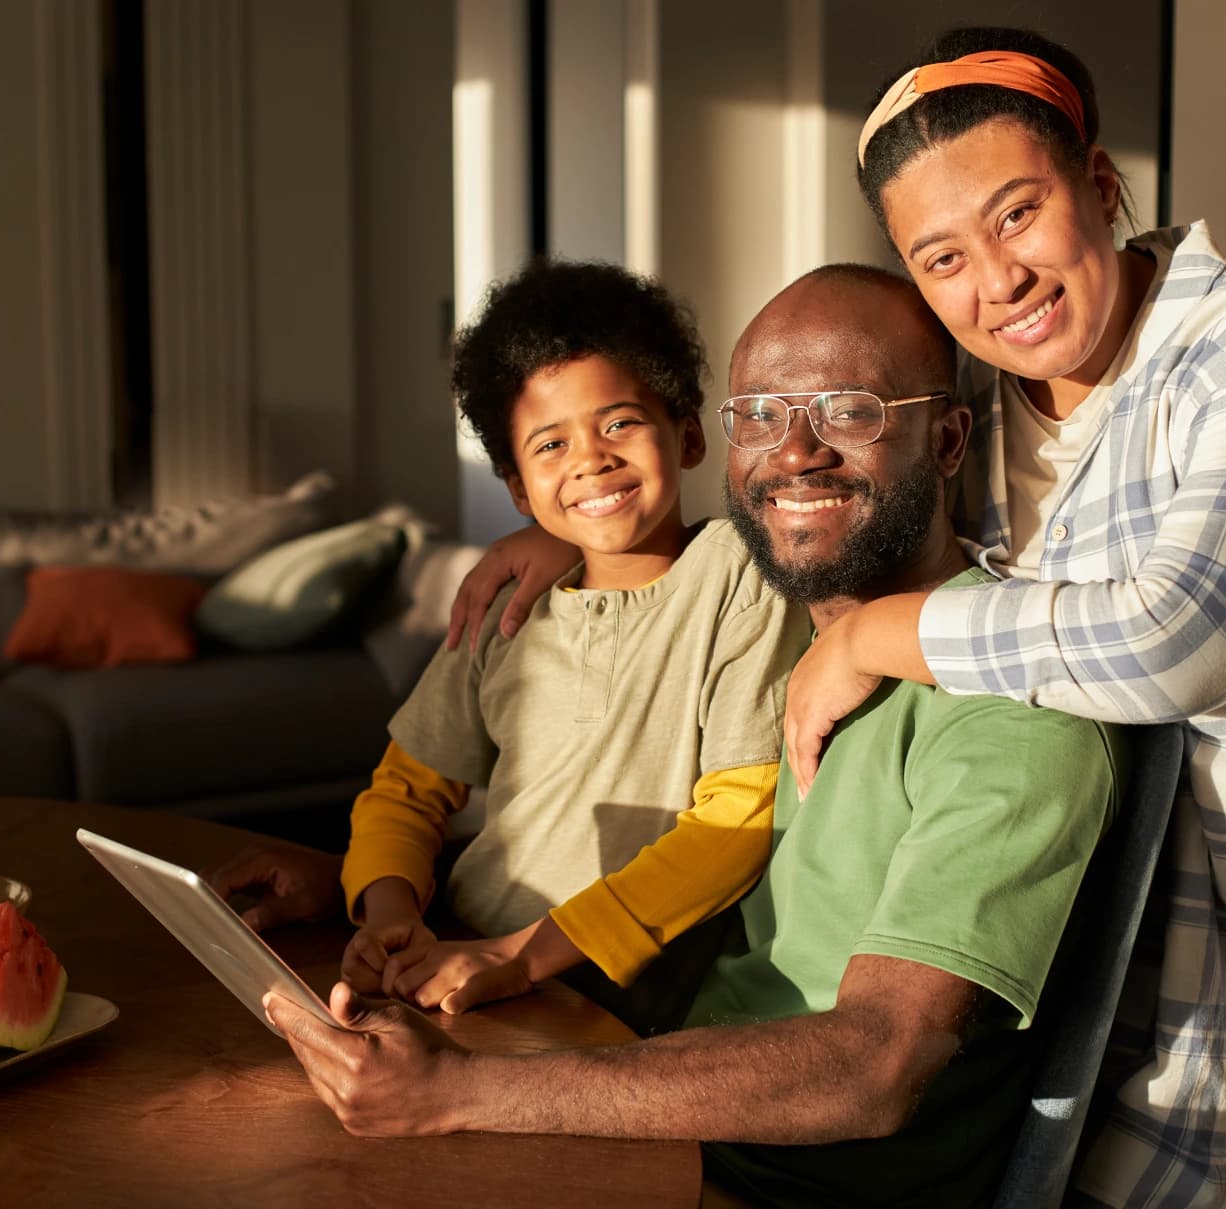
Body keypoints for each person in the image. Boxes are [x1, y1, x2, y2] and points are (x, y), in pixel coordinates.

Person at [444, 26, 1226, 1208]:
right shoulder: (983, 387)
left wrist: (872, 640)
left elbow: (1182, 639)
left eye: (1017, 214)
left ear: (1100, 187)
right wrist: (590, 532)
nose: (997, 278)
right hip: (1116, 930)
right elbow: (836, 493)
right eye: (942, 256)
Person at [265, 265, 1128, 1209]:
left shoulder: (1012, 710)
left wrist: (462, 1091)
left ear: (948, 438)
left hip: (770, 1187)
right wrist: (353, 879)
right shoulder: (782, 638)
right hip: (642, 1105)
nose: (793, 453)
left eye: (849, 411)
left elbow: (871, 1066)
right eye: (757, 415)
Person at [217, 260, 811, 1035]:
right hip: (458, 955)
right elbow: (405, 790)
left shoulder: (737, 573)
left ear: (689, 435)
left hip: (595, 1000)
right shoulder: (506, 606)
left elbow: (733, 826)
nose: (590, 459)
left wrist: (521, 956)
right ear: (518, 489)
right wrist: (390, 912)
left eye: (619, 423)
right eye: (550, 444)